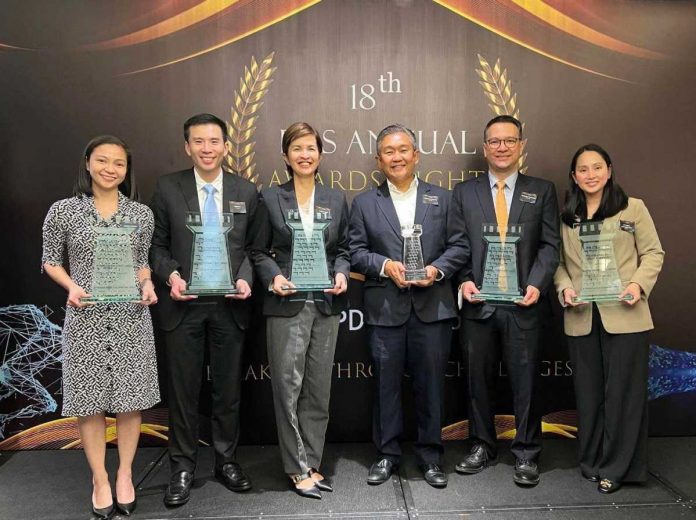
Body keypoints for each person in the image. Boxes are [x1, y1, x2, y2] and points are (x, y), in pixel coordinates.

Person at [42, 135, 160, 518]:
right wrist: (70, 285)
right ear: (88, 163)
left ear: (127, 169)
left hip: (130, 319)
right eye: (103, 161)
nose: (111, 169)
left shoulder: (141, 214)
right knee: (89, 405)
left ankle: (125, 474)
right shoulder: (63, 211)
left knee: (131, 402)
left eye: (119, 163)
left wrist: (147, 284)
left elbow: (142, 263)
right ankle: (99, 478)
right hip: (86, 318)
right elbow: (50, 260)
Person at [349, 124, 467, 489]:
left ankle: (431, 456)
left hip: (433, 308)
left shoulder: (444, 199)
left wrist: (436, 270)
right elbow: (355, 252)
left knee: (432, 386)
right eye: (388, 151)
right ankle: (387, 454)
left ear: (416, 155)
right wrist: (386, 266)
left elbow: (460, 246)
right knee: (386, 386)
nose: (396, 157)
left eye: (403, 150)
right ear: (378, 159)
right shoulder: (365, 203)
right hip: (385, 308)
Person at [149, 113, 258, 507]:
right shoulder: (167, 188)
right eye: (199, 141)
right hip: (184, 305)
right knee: (183, 391)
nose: (207, 148)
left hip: (230, 307)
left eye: (214, 141)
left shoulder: (246, 191)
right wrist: (172, 277)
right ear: (187, 147)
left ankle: (226, 460)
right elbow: (156, 246)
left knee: (228, 390)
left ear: (227, 146)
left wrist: (245, 277)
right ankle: (181, 466)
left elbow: (253, 249)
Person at [451, 115, 560, 487]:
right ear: (485, 149)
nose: (502, 147)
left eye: (509, 141)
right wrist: (463, 280)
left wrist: (537, 284)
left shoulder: (542, 191)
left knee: (525, 381)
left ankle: (527, 452)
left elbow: (549, 245)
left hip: (523, 304)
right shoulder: (464, 193)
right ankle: (482, 444)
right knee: (477, 380)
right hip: (479, 304)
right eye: (494, 141)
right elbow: (457, 245)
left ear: (521, 146)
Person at [554, 144, 663, 493]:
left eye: (597, 167)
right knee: (588, 395)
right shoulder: (567, 216)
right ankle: (591, 460)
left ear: (610, 170)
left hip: (626, 315)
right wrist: (565, 290)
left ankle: (618, 468)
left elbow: (653, 253)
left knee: (623, 395)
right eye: (582, 169)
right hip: (583, 316)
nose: (590, 174)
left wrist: (637, 285)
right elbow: (560, 266)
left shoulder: (634, 208)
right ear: (574, 176)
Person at [249, 122, 349, 499]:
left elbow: (343, 250)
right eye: (297, 148)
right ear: (286, 156)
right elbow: (257, 250)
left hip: (325, 303)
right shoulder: (270, 198)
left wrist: (340, 273)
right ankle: (295, 467)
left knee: (318, 390)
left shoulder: (336, 199)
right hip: (286, 302)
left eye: (311, 148)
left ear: (320, 154)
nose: (305, 155)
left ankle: (312, 461)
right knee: (288, 389)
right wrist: (272, 277)